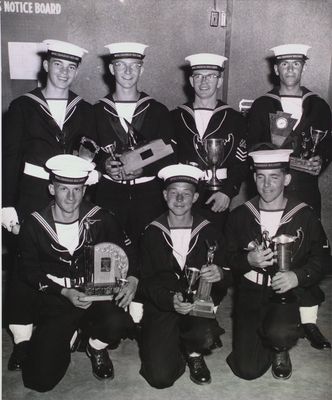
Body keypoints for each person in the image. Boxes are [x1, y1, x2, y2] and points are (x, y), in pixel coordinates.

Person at [3, 39, 98, 372]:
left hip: (70, 194)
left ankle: (71, 328)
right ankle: (22, 339)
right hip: (31, 194)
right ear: (46, 66)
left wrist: (92, 172)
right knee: (23, 267)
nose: (64, 73)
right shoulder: (22, 106)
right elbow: (10, 157)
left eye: (71, 67)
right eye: (58, 65)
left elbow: (90, 149)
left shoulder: (84, 108)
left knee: (68, 259)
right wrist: (6, 204)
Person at [17, 155, 138, 392]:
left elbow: (129, 250)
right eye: (64, 188)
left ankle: (95, 345)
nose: (71, 197)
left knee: (119, 322)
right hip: (57, 297)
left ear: (85, 190)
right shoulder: (34, 224)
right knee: (38, 381)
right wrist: (64, 292)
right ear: (52, 189)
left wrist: (132, 278)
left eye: (77, 189)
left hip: (96, 293)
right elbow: (29, 272)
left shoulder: (101, 217)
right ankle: (69, 335)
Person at [247, 44, 331, 349]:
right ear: (276, 69)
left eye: (296, 64)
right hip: (270, 189)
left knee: (307, 251)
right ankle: (269, 312)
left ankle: (308, 322)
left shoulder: (318, 105)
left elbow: (326, 146)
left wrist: (320, 161)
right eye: (284, 64)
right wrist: (290, 161)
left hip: (305, 189)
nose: (290, 69)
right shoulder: (261, 105)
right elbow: (254, 149)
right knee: (268, 248)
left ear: (304, 68)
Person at [225, 148, 328, 381]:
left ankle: (281, 347)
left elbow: (322, 259)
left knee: (279, 333)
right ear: (254, 179)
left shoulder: (304, 215)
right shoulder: (240, 215)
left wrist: (298, 277)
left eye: (274, 177)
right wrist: (247, 260)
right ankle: (263, 337)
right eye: (261, 177)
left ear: (287, 179)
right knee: (246, 370)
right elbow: (226, 259)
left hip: (286, 293)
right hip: (251, 292)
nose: (267, 185)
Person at [139, 164, 230, 388]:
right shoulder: (151, 232)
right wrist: (170, 300)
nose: (179, 199)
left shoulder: (209, 231)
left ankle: (194, 352)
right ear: (164, 195)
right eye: (173, 193)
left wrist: (220, 274)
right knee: (160, 378)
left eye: (186, 193)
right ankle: (174, 346)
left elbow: (229, 273)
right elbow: (145, 283)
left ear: (196, 197)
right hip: (164, 305)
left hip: (198, 306)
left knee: (203, 334)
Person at [93, 42, 176, 246]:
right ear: (112, 69)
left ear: (142, 69)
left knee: (147, 254)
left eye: (134, 65)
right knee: (109, 254)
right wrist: (105, 165)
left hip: (148, 195)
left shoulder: (158, 111)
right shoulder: (96, 111)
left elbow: (171, 154)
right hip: (109, 193)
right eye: (121, 65)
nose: (128, 71)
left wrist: (145, 168)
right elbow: (87, 153)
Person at [171, 53, 248, 229]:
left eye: (211, 76)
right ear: (191, 81)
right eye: (199, 76)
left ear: (219, 82)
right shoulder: (175, 117)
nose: (204, 82)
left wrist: (228, 192)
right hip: (184, 192)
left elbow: (241, 163)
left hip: (218, 194)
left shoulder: (234, 119)